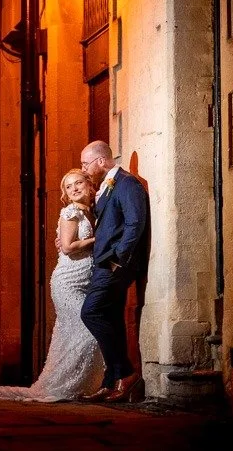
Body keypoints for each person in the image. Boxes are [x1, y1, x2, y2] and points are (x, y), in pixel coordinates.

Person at [0, 169, 104, 402]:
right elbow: (69, 247)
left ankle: (79, 385)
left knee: (72, 335)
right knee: (88, 331)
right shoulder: (70, 212)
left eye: (78, 183)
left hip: (85, 282)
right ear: (65, 193)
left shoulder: (92, 211)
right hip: (68, 283)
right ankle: (64, 385)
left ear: (89, 185)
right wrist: (98, 239)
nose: (74, 189)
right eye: (69, 186)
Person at [78, 140, 150, 403]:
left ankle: (125, 373)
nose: (83, 168)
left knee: (91, 311)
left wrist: (118, 260)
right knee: (111, 318)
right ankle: (111, 382)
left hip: (114, 264)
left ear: (101, 161)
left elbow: (134, 224)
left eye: (86, 163)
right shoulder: (106, 187)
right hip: (104, 262)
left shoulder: (127, 183)